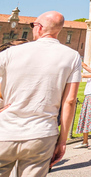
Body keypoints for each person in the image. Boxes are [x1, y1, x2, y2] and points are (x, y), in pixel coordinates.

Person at [0, 12, 81, 176]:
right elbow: (70, 101)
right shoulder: (72, 56)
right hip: (42, 133)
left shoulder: (10, 53)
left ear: (39, 27)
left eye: (32, 25)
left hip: (5, 130)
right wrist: (63, 141)